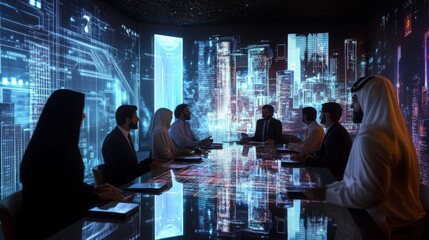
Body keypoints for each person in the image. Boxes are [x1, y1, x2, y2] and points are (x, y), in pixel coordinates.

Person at [304, 75, 426, 239]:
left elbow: (368, 195)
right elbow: (357, 183)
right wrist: (329, 188)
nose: (352, 105)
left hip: (383, 231)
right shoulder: (399, 135)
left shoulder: (371, 138)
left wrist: (325, 195)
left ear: (369, 100)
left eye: (355, 100)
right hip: (410, 227)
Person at [18, 89, 125, 239]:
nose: (83, 116)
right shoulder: (47, 151)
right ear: (66, 114)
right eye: (80, 111)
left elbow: (67, 187)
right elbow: (56, 202)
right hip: (49, 231)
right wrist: (97, 197)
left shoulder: (61, 144)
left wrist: (95, 190)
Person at [102, 105, 159, 187]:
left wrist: (150, 161)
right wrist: (149, 168)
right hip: (121, 188)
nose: (138, 119)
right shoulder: (114, 140)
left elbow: (132, 167)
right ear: (128, 120)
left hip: (129, 184)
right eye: (135, 117)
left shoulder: (123, 135)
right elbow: (124, 173)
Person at [306, 102, 352, 180]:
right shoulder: (335, 130)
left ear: (326, 115)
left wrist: (306, 160)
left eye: (321, 113)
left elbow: (328, 162)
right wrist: (312, 155)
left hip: (333, 180)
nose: (319, 116)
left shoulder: (336, 134)